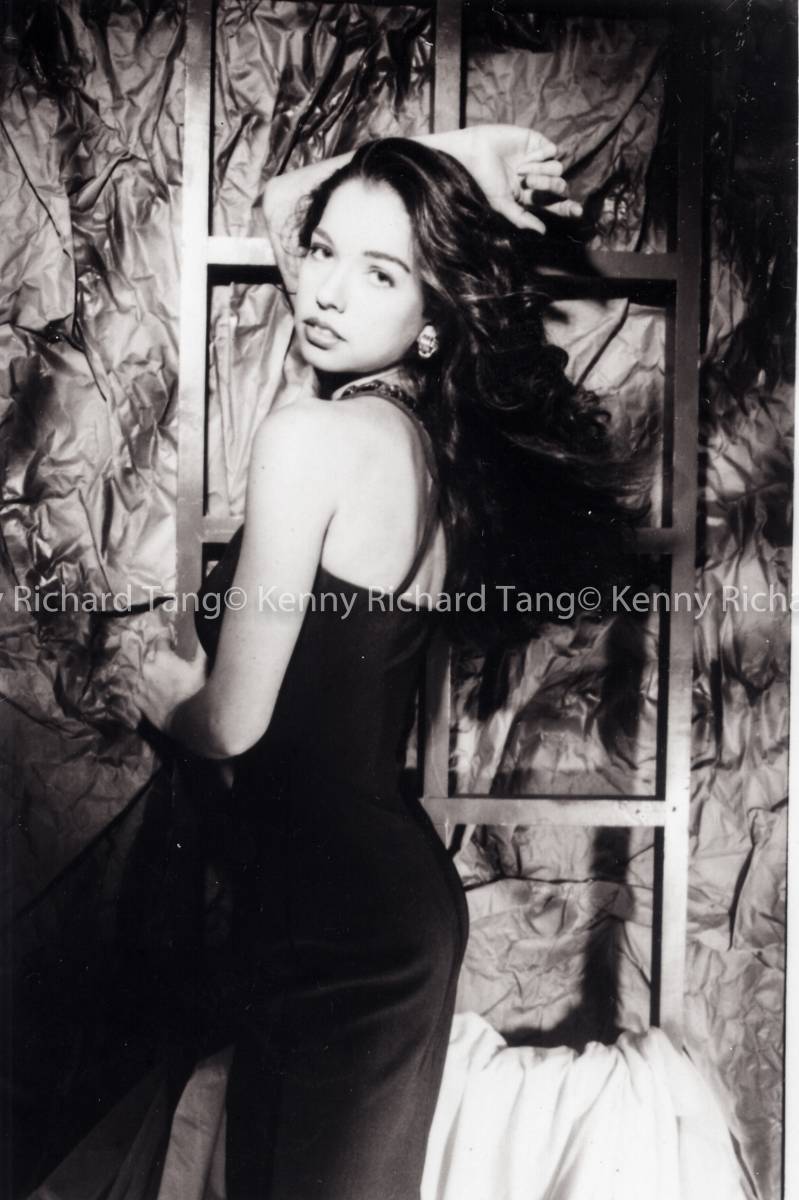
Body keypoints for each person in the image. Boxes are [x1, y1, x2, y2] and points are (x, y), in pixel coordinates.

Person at [134, 125, 639, 1200]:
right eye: (323, 255)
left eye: (382, 273)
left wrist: (172, 699)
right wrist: (456, 163)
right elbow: (291, 200)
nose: (322, 290)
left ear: (431, 315)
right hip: (353, 909)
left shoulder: (309, 438)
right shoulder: (431, 451)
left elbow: (234, 722)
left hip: (339, 920)